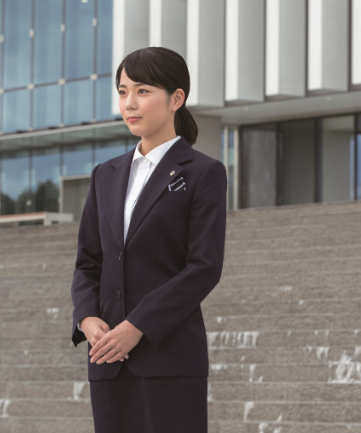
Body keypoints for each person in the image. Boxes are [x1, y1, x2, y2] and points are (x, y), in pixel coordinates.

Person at [70, 46, 227, 433]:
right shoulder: (104, 175)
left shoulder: (204, 172)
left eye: (142, 91)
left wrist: (136, 326)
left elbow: (203, 267)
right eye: (123, 91)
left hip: (169, 358)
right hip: (107, 358)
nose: (129, 103)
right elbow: (89, 261)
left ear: (177, 98)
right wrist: (87, 317)